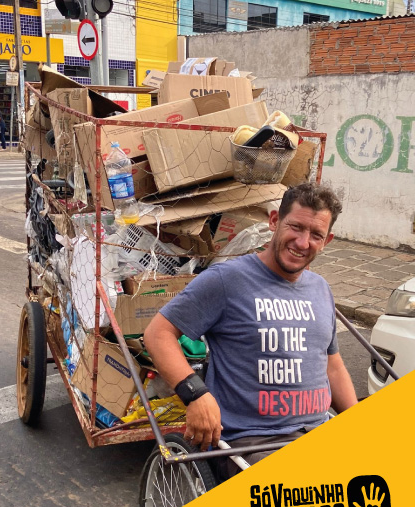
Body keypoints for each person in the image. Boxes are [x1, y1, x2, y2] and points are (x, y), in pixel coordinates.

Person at [144, 183, 358, 479]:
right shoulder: (226, 280)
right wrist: (195, 394)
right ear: (274, 222)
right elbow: (158, 334)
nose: (302, 242)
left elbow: (332, 365)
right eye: (295, 227)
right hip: (253, 441)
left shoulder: (320, 289)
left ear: (327, 240)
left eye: (316, 235)